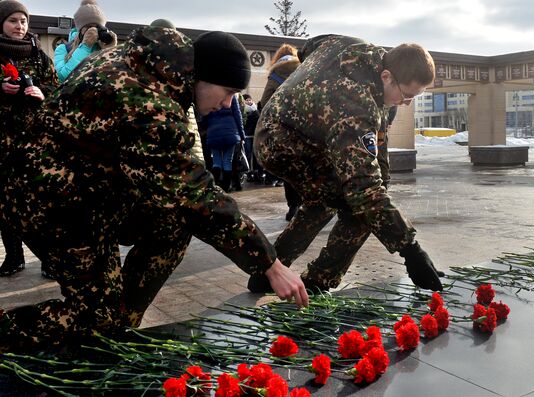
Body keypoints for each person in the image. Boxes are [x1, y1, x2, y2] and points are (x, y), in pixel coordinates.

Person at [0, 27, 308, 351]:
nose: (227, 103)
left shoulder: (154, 69)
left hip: (91, 192)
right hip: (49, 201)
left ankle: (121, 325)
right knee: (97, 317)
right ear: (201, 77)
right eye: (227, 91)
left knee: (172, 222)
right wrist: (269, 264)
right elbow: (192, 194)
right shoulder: (146, 99)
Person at [250, 34, 444, 293]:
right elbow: (365, 191)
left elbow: (310, 47)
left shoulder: (352, 47)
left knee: (325, 201)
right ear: (386, 76)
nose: (407, 103)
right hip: (283, 145)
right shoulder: (356, 107)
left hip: (283, 127)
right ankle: (318, 280)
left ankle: (268, 270)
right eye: (407, 95)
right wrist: (411, 250)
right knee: (360, 208)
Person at [0, 0, 58, 277]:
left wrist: (41, 93)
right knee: (5, 204)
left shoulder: (38, 55)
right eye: (13, 20)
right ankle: (13, 257)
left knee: (39, 203)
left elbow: (58, 89)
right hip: (2, 143)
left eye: (23, 21)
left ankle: (49, 259)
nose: (19, 26)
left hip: (34, 142)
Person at [259, 43, 302, 221]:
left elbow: (264, 102)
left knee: (289, 170)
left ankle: (293, 206)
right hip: (305, 129)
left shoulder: (275, 75)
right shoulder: (304, 69)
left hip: (284, 130)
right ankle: (309, 205)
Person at [54, 0, 117, 82]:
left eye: (98, 27)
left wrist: (111, 51)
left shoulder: (101, 47)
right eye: (90, 27)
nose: (94, 31)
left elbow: (115, 79)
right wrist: (85, 48)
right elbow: (63, 77)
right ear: (80, 30)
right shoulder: (63, 49)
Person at [204, 93, 245, 192]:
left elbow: (204, 115)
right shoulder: (231, 95)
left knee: (216, 162)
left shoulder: (209, 94)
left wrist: (207, 129)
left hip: (213, 131)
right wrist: (242, 134)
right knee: (228, 161)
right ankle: (226, 187)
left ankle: (214, 186)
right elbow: (237, 115)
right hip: (230, 132)